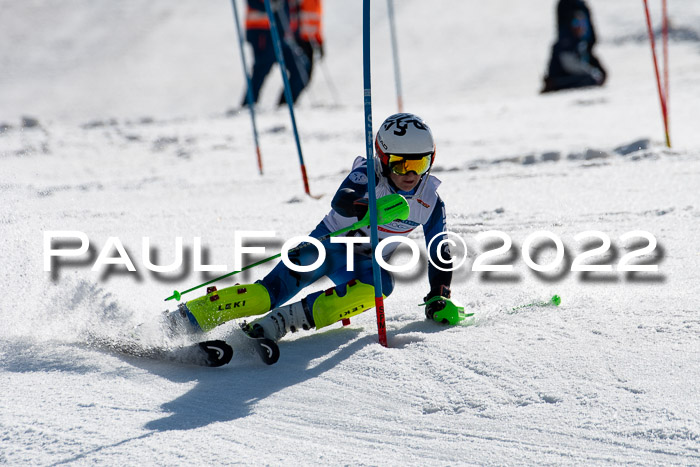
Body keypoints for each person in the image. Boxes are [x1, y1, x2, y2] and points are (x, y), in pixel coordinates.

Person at [168, 113, 460, 343]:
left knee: (381, 287)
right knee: (264, 296)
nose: (410, 174)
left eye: (420, 163)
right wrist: (368, 208)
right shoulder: (368, 174)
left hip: (364, 262)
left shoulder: (430, 200)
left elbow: (440, 251)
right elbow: (341, 200)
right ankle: (185, 318)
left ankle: (282, 322)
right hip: (324, 247)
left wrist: (439, 293)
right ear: (383, 159)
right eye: (399, 164)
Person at [241, 0, 309, 107]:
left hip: (281, 32)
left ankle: (285, 105)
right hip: (262, 30)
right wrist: (268, 4)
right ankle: (248, 105)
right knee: (262, 68)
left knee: (301, 67)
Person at [542, 0, 607, 93]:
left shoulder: (581, 42)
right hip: (561, 77)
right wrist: (591, 72)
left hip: (575, 71)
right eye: (576, 23)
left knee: (594, 77)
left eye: (583, 24)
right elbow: (570, 64)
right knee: (590, 78)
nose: (580, 27)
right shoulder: (566, 42)